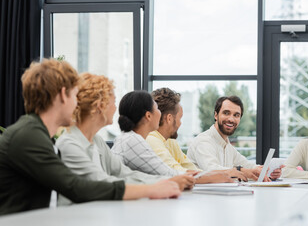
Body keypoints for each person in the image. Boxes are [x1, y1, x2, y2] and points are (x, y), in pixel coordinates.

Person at [0, 59, 180, 215]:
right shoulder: (29, 136)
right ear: (64, 95)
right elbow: (75, 186)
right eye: (74, 95)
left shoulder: (35, 132)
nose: (77, 103)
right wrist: (151, 189)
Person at [56, 73, 187, 204]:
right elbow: (101, 182)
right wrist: (154, 188)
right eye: (113, 101)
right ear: (100, 106)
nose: (115, 108)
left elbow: (123, 173)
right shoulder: (69, 144)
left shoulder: (97, 141)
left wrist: (166, 182)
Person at [147, 87, 247, 181]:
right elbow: (178, 172)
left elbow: (190, 168)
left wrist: (222, 175)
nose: (180, 123)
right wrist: (226, 174)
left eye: (236, 115)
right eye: (180, 118)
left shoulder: (170, 141)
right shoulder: (151, 140)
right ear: (169, 119)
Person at [111, 91, 197, 189]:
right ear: (148, 116)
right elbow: (168, 173)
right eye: (156, 108)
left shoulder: (129, 138)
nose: (160, 113)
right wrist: (189, 177)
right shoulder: (133, 140)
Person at [187, 96, 282, 181]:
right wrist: (242, 171)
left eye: (236, 115)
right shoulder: (204, 141)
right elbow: (212, 170)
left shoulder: (227, 145)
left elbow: (247, 165)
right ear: (216, 115)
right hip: (201, 198)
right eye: (226, 113)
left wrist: (266, 171)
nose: (231, 119)